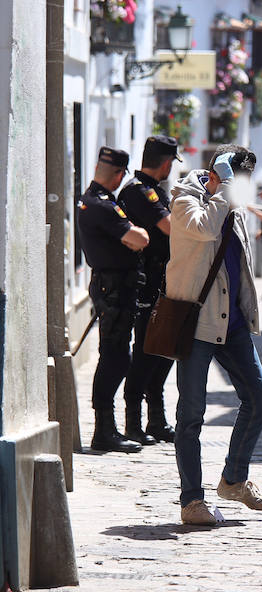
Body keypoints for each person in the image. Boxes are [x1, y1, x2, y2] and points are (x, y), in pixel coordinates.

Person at [167, 144, 262, 525]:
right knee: (191, 415)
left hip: (233, 325)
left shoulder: (233, 204)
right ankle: (191, 501)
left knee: (259, 398)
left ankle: (233, 478)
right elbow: (203, 230)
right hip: (197, 325)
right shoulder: (184, 200)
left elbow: (241, 265)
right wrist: (224, 192)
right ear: (217, 173)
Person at [76, 146, 149, 453]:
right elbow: (140, 239)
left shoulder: (89, 200)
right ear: (119, 175)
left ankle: (108, 428)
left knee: (116, 356)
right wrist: (138, 231)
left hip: (113, 288)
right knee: (115, 358)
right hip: (114, 289)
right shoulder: (103, 205)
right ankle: (104, 431)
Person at [118, 135, 181, 445]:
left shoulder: (152, 190)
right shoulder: (140, 193)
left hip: (162, 282)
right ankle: (134, 423)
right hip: (146, 284)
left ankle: (156, 418)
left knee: (164, 351)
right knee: (145, 351)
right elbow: (172, 229)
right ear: (166, 163)